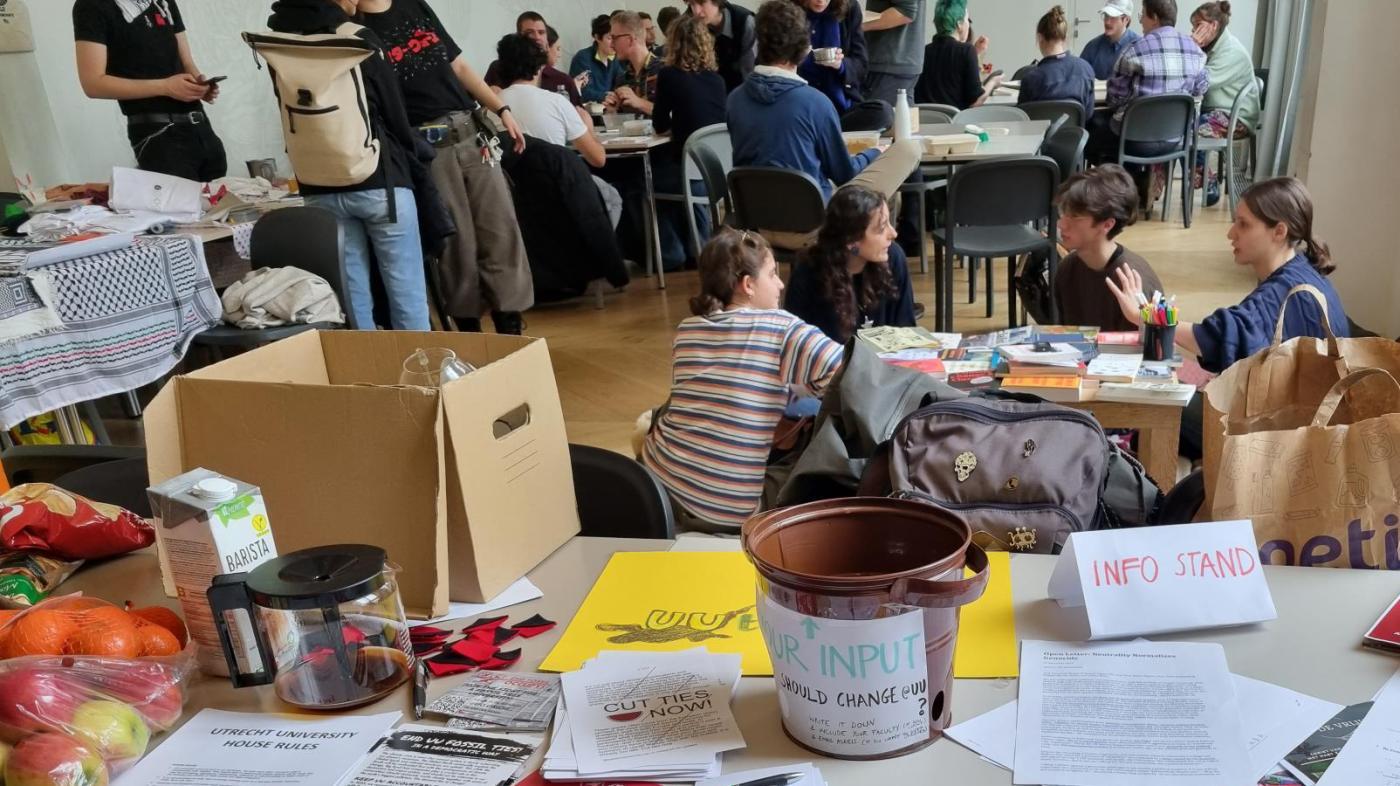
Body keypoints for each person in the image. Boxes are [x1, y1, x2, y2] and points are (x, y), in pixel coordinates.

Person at [1105, 178, 1349, 459]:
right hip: (1309, 420)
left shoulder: (1282, 292)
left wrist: (1143, 315)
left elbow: (1217, 338)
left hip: (1286, 439)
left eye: (1243, 225)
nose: (1231, 233)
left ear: (1279, 231)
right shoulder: (1304, 270)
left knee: (1158, 402)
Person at [642, 228, 844, 532]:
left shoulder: (687, 330)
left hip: (657, 486)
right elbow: (849, 375)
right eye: (773, 274)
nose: (780, 284)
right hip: (729, 512)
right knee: (824, 455)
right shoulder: (782, 327)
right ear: (748, 285)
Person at [357, 0, 534, 335]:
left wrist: (502, 109)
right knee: (455, 242)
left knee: (500, 228)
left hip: (471, 131)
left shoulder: (413, 6)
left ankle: (509, 323)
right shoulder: (357, 27)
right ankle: (468, 329)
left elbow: (459, 66)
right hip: (425, 146)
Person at [264, 0, 429, 331]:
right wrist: (415, 153)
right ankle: (420, 375)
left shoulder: (279, 44)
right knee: (405, 290)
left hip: (317, 184)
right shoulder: (358, 37)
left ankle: (366, 376)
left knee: (353, 297)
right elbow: (394, 111)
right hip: (378, 180)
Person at [728, 0, 921, 233]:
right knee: (909, 149)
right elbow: (844, 174)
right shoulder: (815, 103)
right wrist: (874, 153)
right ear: (804, 49)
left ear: (758, 44)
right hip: (811, 224)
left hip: (755, 224)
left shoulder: (734, 100)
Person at [73, 0, 227, 181]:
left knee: (223, 204)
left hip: (201, 128)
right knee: (180, 205)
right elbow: (93, 84)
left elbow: (186, 62)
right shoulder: (91, 6)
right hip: (158, 135)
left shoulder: (163, 3)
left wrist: (199, 86)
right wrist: (165, 87)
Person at [786, 186, 916, 343]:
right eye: (881, 228)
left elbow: (906, 329)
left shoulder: (893, 257)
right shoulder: (808, 272)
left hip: (887, 365)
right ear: (851, 241)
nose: (893, 233)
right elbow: (796, 343)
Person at [1091, 0, 1208, 163]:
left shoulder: (1134, 49)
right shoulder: (1195, 50)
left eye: (1142, 15)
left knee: (1092, 129)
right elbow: (1201, 88)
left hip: (1134, 140)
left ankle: (1117, 184)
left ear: (1154, 17)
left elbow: (1115, 99)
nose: (1140, 21)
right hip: (1175, 139)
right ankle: (1140, 182)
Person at [652, 16, 728, 268]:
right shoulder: (717, 80)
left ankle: (672, 254)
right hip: (719, 172)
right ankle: (695, 247)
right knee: (680, 175)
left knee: (644, 182)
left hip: (690, 173)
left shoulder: (668, 75)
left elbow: (659, 124)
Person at [1053, 165, 1163, 331]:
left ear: (1107, 224)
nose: (1061, 224)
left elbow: (1149, 350)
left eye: (1075, 217)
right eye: (1063, 213)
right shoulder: (1067, 269)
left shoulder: (1133, 282)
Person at [497, 34, 606, 169]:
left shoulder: (492, 107)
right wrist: (589, 129)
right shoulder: (557, 102)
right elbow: (598, 159)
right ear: (540, 67)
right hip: (556, 184)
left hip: (509, 187)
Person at [1190, 1, 1261, 207]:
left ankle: (1208, 183)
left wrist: (1192, 47)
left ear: (1213, 26)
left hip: (1236, 117)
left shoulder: (1231, 52)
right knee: (1175, 127)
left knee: (1189, 131)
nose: (1195, 31)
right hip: (1214, 111)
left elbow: (1201, 83)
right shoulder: (1213, 47)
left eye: (1199, 25)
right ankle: (1151, 190)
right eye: (1193, 27)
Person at [793, 0, 889, 132]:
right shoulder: (786, 10)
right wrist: (794, 58)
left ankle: (824, 133)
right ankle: (826, 134)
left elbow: (861, 65)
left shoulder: (849, 7)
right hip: (800, 104)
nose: (821, 1)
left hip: (839, 104)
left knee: (883, 112)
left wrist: (841, 65)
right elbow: (769, 63)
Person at [915, 0, 1001, 109]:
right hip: (955, 123)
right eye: (967, 20)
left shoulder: (923, 51)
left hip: (926, 121)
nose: (968, 25)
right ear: (959, 24)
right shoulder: (966, 51)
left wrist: (976, 54)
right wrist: (993, 82)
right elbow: (975, 102)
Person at [484, 11, 581, 105]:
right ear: (519, 37)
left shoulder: (562, 79)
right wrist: (488, 95)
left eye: (541, 32)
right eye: (529, 32)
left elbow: (580, 114)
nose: (537, 37)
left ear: (547, 40)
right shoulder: (498, 68)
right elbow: (479, 106)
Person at [1018, 5, 1097, 120]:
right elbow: (1088, 115)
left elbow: (1023, 119)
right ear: (1065, 37)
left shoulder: (1030, 79)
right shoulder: (1086, 69)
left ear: (1040, 38)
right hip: (1075, 137)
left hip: (1041, 137)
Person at [861, 0, 925, 107]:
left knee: (876, 119)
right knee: (900, 121)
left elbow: (906, 12)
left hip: (890, 63)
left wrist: (857, 26)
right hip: (899, 62)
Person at [685, 0, 757, 93]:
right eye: (691, 4)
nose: (696, 11)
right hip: (706, 93)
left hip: (739, 93)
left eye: (702, 3)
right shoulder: (687, 24)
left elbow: (748, 73)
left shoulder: (745, 22)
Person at [606, 11, 662, 115]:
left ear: (630, 40)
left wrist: (640, 103)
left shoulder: (664, 71)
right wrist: (612, 111)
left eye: (614, 38)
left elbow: (677, 114)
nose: (611, 45)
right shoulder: (623, 80)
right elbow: (620, 126)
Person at [1080, 0, 1141, 80]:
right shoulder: (1092, 47)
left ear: (1126, 20)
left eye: (1113, 17)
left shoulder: (1139, 46)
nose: (1107, 22)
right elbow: (1079, 76)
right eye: (1106, 16)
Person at [570, 15, 623, 104]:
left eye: (615, 38)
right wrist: (604, 96)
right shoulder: (583, 58)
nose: (614, 43)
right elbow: (583, 91)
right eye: (609, 38)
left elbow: (621, 81)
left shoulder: (614, 59)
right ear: (597, 37)